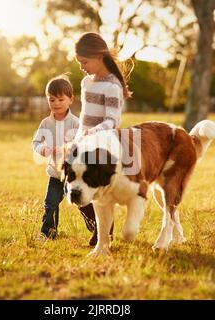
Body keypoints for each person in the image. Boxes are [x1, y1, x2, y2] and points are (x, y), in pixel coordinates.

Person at [74, 32, 134, 246]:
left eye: (84, 62)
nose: (82, 67)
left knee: (92, 188)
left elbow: (112, 121)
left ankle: (103, 232)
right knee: (71, 185)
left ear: (99, 56)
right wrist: (79, 137)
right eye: (79, 62)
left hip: (101, 145)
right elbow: (84, 116)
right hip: (83, 141)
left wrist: (95, 132)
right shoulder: (86, 82)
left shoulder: (112, 86)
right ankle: (99, 228)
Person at [32, 75, 79, 239]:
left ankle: (95, 227)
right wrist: (44, 149)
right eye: (52, 100)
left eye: (60, 99)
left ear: (70, 99)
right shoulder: (46, 123)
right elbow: (36, 142)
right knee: (50, 203)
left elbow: (82, 143)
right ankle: (48, 233)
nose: (56, 103)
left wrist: (69, 148)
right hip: (54, 173)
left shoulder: (75, 123)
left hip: (73, 174)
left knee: (82, 203)